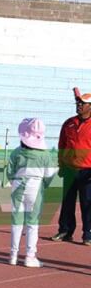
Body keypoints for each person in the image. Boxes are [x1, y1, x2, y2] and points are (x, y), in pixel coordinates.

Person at [8, 118, 57, 267]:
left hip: (18, 184)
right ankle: (30, 256)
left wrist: (14, 181)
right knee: (32, 223)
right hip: (35, 188)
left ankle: (13, 255)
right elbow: (49, 175)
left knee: (16, 222)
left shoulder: (17, 152)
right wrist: (44, 185)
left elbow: (10, 171)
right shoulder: (46, 155)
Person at [51, 92, 91, 246]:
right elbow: (62, 145)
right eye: (78, 103)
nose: (79, 105)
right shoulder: (69, 123)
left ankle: (88, 234)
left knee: (88, 203)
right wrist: (61, 165)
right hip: (69, 169)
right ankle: (65, 230)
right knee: (67, 202)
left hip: (88, 171)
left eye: (83, 103)